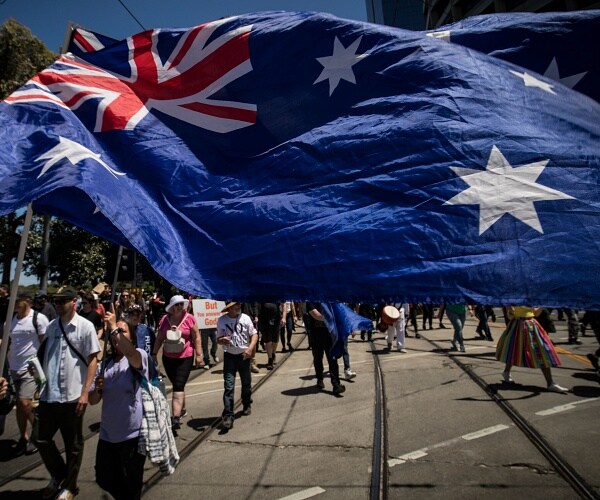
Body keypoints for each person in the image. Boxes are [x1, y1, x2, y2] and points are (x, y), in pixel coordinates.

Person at [34, 287, 100, 500]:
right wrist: (37, 378)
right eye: (56, 301)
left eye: (63, 301)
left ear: (74, 302)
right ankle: (60, 474)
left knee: (73, 444)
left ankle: (70, 486)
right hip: (49, 395)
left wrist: (85, 393)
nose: (58, 305)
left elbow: (92, 360)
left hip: (72, 395)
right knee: (39, 437)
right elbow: (45, 357)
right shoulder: (52, 326)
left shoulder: (85, 327)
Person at [89, 312, 148, 500]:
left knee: (132, 484)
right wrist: (98, 389)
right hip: (107, 435)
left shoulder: (138, 356)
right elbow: (93, 400)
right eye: (114, 332)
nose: (117, 335)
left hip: (132, 435)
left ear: (132, 337)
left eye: (123, 331)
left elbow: (130, 353)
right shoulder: (105, 365)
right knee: (104, 478)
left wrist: (114, 327)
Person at [152, 294, 202, 431]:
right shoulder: (164, 320)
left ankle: (175, 417)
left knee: (178, 386)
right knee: (177, 385)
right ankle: (181, 408)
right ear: (172, 307)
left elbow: (196, 337)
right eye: (177, 305)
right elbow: (160, 338)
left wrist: (199, 355)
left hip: (185, 357)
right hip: (168, 358)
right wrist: (154, 353)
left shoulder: (189, 318)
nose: (180, 307)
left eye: (181, 304)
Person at [8, 291, 49, 455]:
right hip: (14, 367)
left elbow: (46, 343)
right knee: (20, 405)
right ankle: (23, 437)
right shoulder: (11, 320)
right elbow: (8, 341)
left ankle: (38, 434)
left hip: (31, 368)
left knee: (25, 402)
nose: (13, 303)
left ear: (26, 301)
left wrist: (44, 366)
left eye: (16, 300)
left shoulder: (38, 319)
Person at [496, 306, 568, 393]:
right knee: (514, 349)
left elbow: (536, 313)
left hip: (531, 325)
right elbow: (510, 315)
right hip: (518, 326)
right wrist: (510, 310)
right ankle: (506, 372)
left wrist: (542, 304)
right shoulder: (514, 299)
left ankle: (550, 383)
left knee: (542, 351)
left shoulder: (530, 298)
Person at [216, 302, 258, 430]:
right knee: (229, 385)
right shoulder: (222, 320)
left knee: (246, 383)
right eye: (236, 305)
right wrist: (222, 340)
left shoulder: (245, 318)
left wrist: (250, 349)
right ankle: (228, 415)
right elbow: (218, 339)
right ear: (229, 308)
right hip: (229, 356)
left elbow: (254, 334)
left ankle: (246, 403)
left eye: (239, 304)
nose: (239, 306)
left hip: (244, 355)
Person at [306, 302, 345, 395]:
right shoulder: (310, 301)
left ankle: (336, 385)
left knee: (332, 359)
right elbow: (316, 315)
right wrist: (331, 317)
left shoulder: (329, 300)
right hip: (316, 336)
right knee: (318, 359)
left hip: (329, 335)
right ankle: (320, 379)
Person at [258, 302, 281, 370]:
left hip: (276, 319)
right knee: (268, 340)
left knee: (275, 341)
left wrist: (284, 317)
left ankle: (273, 353)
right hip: (265, 320)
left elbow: (283, 304)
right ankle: (270, 359)